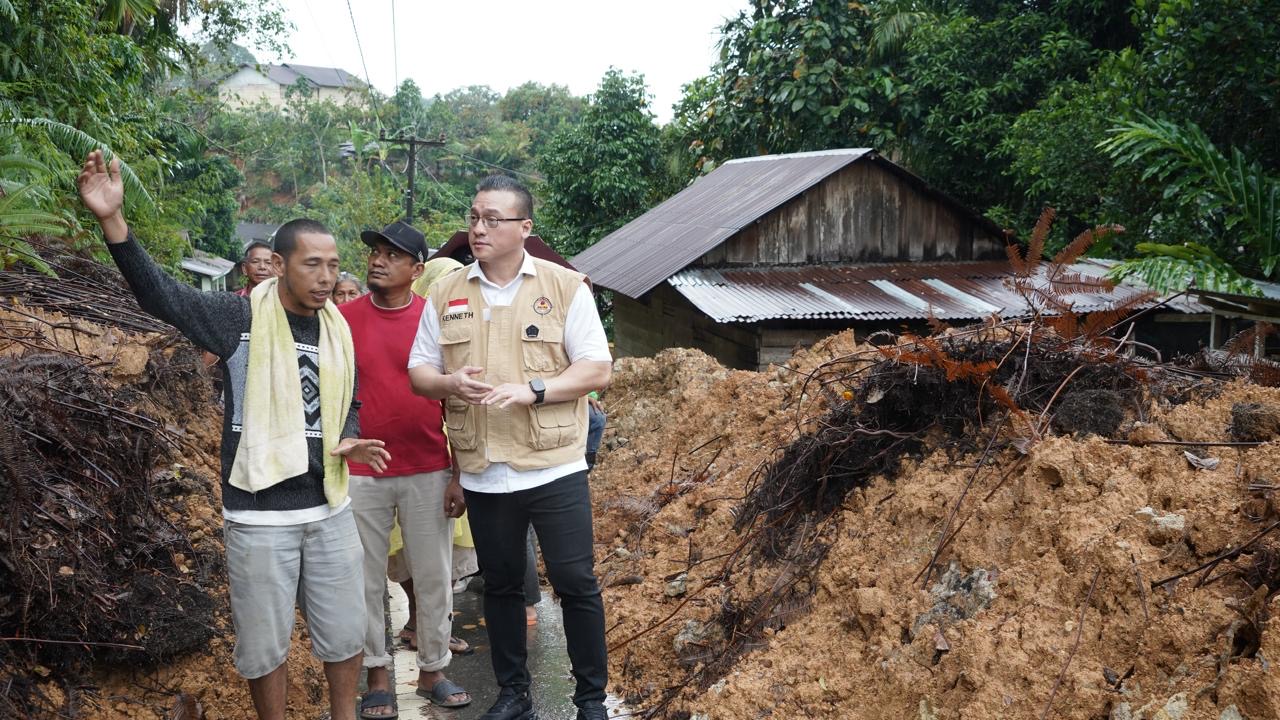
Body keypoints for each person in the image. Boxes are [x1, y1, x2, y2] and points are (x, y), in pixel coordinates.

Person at [76, 151, 389, 720]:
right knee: (263, 644)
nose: (325, 277)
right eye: (312, 264)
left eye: (333, 265)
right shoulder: (238, 318)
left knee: (347, 634)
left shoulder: (339, 329)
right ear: (280, 266)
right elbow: (163, 298)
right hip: (258, 512)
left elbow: (351, 400)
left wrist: (348, 435)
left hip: (331, 505)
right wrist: (113, 224)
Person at [408, 174, 612, 720]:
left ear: (524, 227)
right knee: (499, 586)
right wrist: (450, 384)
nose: (478, 228)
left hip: (553, 466)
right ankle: (514, 693)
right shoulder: (446, 293)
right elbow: (419, 372)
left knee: (576, 584)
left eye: (493, 219)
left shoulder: (565, 287)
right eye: (474, 217)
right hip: (484, 470)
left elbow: (597, 368)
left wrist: (534, 390)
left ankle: (590, 700)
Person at [339, 220, 470, 717]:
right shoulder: (343, 319)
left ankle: (433, 669)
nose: (377, 260)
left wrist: (459, 474)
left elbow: (458, 403)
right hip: (361, 471)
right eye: (375, 251)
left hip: (427, 466)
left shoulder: (435, 320)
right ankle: (377, 674)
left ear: (417, 269)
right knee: (365, 578)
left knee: (433, 574)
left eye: (392, 255)